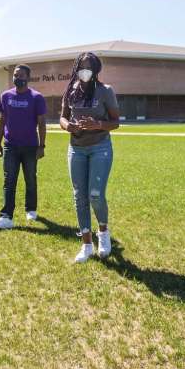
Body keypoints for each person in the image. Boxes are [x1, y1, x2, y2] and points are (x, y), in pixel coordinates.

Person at [60, 52, 119, 263]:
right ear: (76, 68)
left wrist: (99, 125)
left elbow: (116, 121)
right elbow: (63, 117)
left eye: (89, 67)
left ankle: (103, 233)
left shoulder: (105, 91)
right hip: (76, 149)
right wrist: (69, 126)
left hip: (100, 147)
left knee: (95, 194)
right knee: (79, 196)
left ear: (96, 69)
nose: (84, 71)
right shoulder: (70, 90)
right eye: (81, 66)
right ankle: (86, 244)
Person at [0, 64, 47, 229]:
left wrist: (42, 146)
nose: (17, 78)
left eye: (21, 76)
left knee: (30, 179)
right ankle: (6, 216)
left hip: (30, 147)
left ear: (28, 78)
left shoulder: (36, 97)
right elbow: (2, 120)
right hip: (10, 146)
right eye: (15, 75)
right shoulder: (5, 96)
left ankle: (31, 209)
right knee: (9, 180)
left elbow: (42, 123)